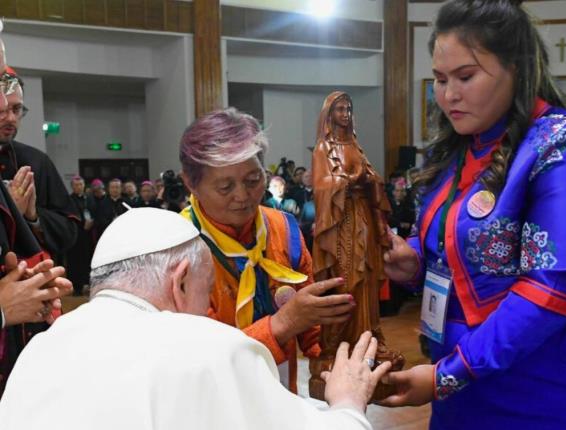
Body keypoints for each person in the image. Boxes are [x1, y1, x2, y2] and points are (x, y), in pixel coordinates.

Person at [378, 1, 566, 428]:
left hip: (551, 383)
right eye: (440, 80)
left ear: (516, 68)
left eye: (465, 76)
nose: (449, 95)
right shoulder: (460, 149)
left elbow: (553, 290)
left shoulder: (565, 143)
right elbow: (459, 252)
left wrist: (447, 376)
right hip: (465, 381)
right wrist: (413, 263)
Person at [0, 207, 391, 429]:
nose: (205, 312)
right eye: (205, 296)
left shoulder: (41, 349)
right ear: (182, 279)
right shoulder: (208, 347)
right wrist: (349, 404)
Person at [179, 108, 355, 393]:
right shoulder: (176, 248)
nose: (243, 196)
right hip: (214, 400)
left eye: (252, 180)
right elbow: (201, 358)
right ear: (190, 182)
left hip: (281, 392)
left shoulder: (282, 228)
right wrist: (282, 324)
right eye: (225, 187)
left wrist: (338, 354)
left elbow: (312, 325)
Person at [311, 91, 403, 391]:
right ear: (329, 114)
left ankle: (368, 341)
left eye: (348, 109)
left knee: (365, 283)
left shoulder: (354, 145)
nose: (346, 114)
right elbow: (321, 185)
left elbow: (373, 177)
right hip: (340, 224)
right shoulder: (324, 148)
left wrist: (368, 179)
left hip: (362, 217)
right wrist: (348, 181)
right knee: (345, 280)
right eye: (340, 109)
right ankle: (335, 346)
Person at [0, 71, 78, 258]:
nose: (11, 118)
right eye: (1, 110)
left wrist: (33, 216)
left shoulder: (37, 161)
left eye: (17, 109)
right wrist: (11, 212)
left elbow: (69, 231)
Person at [66, 176, 94, 295]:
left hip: (88, 235)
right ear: (72, 186)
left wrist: (91, 222)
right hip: (75, 235)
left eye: (81, 184)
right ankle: (76, 287)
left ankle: (87, 284)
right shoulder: (68, 200)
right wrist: (83, 223)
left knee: (87, 259)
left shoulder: (89, 198)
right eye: (76, 185)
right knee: (75, 261)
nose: (79, 187)